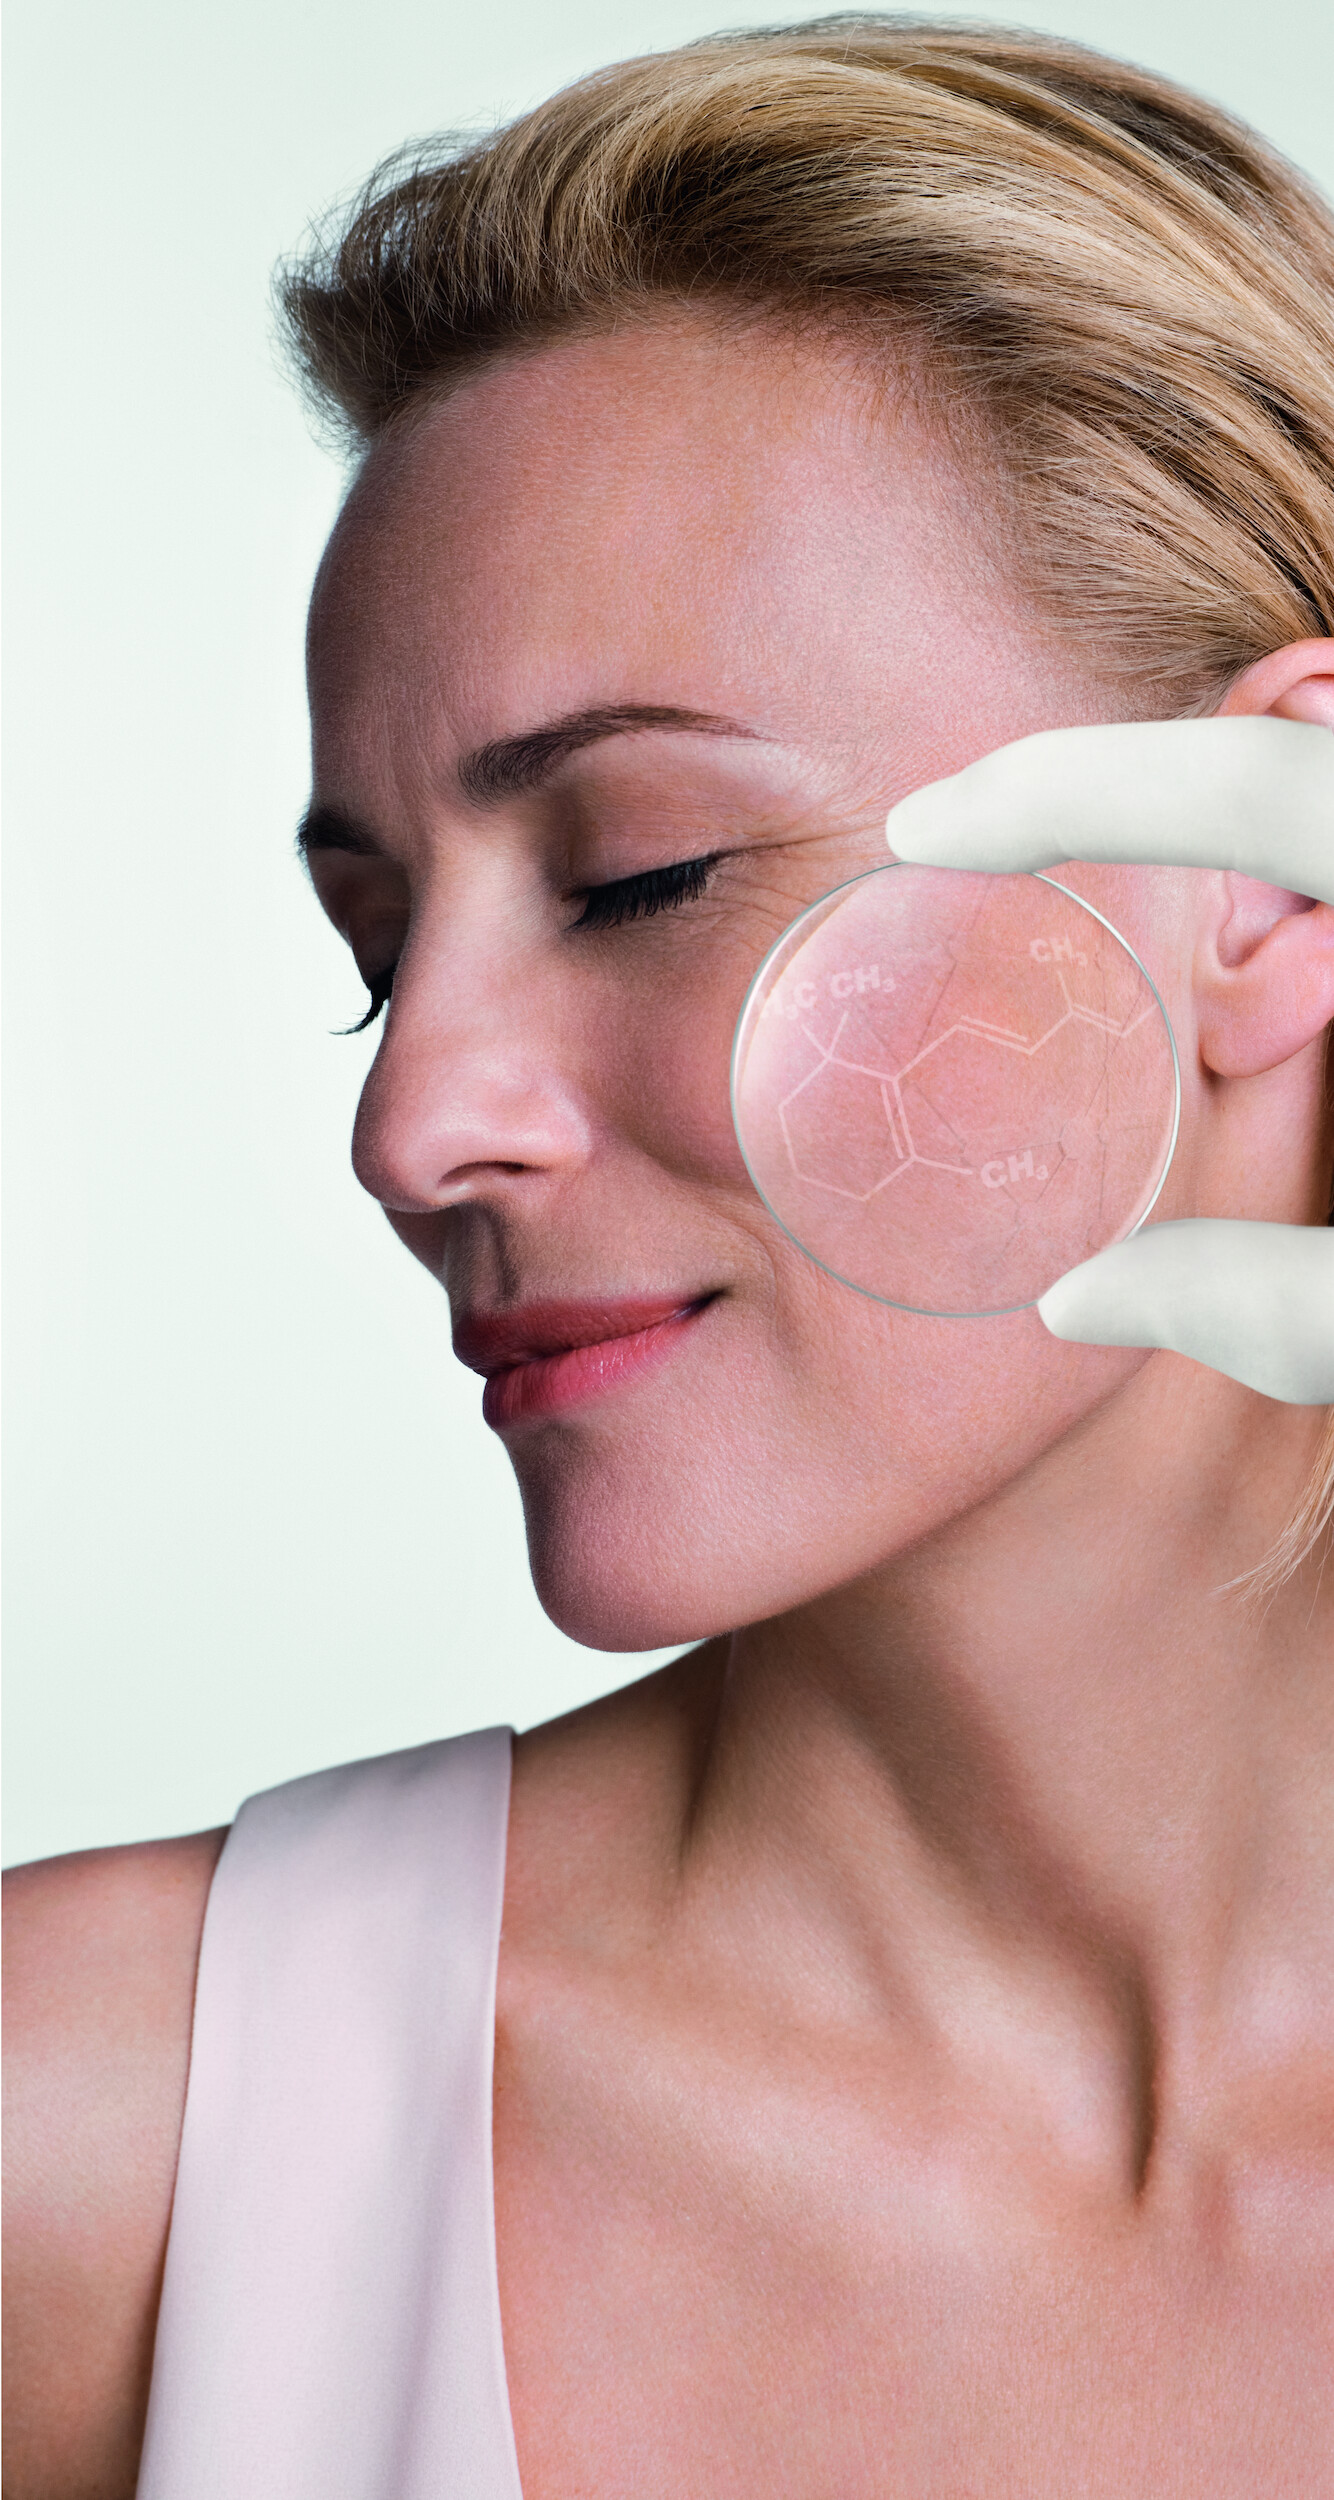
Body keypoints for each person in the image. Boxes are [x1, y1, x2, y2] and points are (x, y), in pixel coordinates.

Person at [5, 18, 1333, 2496]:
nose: (413, 1125)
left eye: (638, 873)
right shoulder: (98, 2147)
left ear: (1256, 872)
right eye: (377, 946)